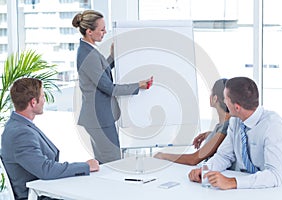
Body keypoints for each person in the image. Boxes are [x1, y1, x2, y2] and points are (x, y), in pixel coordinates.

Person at [72, 10, 152, 164]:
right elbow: (108, 87)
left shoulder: (89, 50)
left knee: (107, 162)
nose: (105, 32)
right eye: (101, 29)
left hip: (100, 117)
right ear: (89, 32)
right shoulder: (87, 54)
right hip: (98, 118)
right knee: (113, 162)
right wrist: (138, 85)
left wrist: (112, 57)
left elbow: (99, 74)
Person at [188, 77, 282, 189]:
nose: (224, 102)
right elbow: (224, 156)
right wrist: (205, 170)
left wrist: (232, 182)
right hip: (251, 188)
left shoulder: (273, 125)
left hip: (281, 190)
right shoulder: (235, 121)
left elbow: (274, 175)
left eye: (226, 99)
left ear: (237, 107)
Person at [1, 78, 99, 200]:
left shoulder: (19, 125)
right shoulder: (20, 133)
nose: (44, 100)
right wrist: (86, 166)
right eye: (42, 96)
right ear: (33, 102)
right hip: (38, 195)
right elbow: (45, 169)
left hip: (46, 189)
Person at [154, 78, 230, 165]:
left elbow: (194, 159)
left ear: (215, 98)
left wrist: (163, 155)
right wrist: (210, 134)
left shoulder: (227, 126)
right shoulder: (224, 125)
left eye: (211, 93)